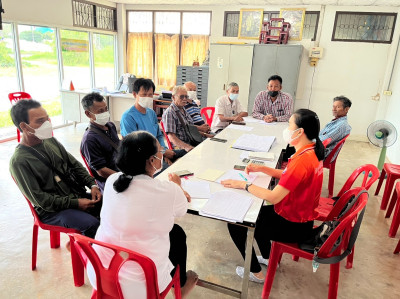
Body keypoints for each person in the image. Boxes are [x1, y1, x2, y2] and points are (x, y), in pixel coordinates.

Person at [87, 131, 198, 298]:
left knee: (174, 233)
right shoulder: (168, 190)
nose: (162, 155)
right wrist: (178, 186)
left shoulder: (112, 181)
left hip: (99, 274)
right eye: (160, 152)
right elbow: (182, 210)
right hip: (139, 286)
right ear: (152, 160)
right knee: (177, 233)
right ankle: (180, 286)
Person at [221, 109, 324, 283]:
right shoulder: (310, 151)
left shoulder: (302, 160)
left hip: (293, 225)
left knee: (236, 222)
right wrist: (262, 168)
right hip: (301, 219)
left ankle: (255, 272)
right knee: (260, 212)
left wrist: (243, 184)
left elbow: (274, 197)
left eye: (290, 124)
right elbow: (290, 175)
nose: (287, 128)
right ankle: (270, 259)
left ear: (300, 131)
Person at [9, 100, 101, 238]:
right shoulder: (19, 161)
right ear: (24, 126)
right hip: (52, 211)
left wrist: (92, 184)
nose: (47, 124)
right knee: (92, 225)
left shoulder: (51, 141)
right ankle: (91, 256)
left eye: (47, 119)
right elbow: (42, 200)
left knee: (112, 206)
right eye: (40, 121)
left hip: (74, 196)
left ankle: (80, 245)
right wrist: (75, 204)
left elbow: (74, 165)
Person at [120, 78, 186, 166]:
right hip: (144, 160)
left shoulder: (151, 113)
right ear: (135, 94)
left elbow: (159, 136)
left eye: (150, 95)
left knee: (188, 153)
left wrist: (164, 151)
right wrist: (161, 153)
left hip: (159, 153)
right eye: (144, 95)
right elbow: (136, 147)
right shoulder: (128, 117)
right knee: (173, 171)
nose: (147, 97)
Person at [80, 92, 120, 193]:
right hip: (110, 180)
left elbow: (118, 147)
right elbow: (101, 171)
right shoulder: (89, 139)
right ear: (88, 113)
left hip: (121, 169)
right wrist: (123, 177)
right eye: (100, 111)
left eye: (106, 109)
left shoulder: (110, 126)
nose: (105, 113)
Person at [162, 86, 212, 152]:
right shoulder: (170, 112)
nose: (185, 99)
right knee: (207, 151)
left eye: (186, 97)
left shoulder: (183, 109)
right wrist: (187, 147)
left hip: (191, 141)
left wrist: (206, 135)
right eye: (182, 97)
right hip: (181, 147)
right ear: (173, 97)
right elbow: (171, 137)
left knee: (212, 143)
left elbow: (190, 129)